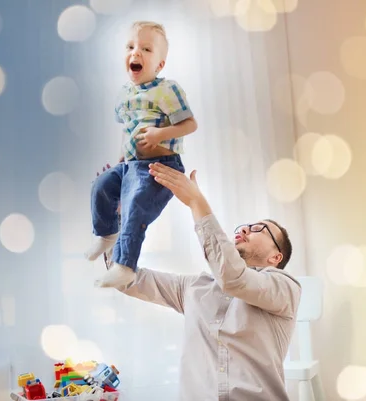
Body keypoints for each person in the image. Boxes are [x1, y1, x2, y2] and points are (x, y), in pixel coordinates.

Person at [101, 162, 302, 401]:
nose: (246, 230)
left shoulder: (285, 288)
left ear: (275, 257)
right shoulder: (195, 288)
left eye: (259, 229)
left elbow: (234, 278)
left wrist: (197, 202)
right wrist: (117, 217)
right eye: (244, 226)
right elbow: (125, 278)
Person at [85, 20, 198, 289]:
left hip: (161, 165)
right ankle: (106, 232)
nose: (136, 53)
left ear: (159, 65)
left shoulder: (168, 89)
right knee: (100, 186)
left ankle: (125, 266)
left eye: (146, 49)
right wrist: (121, 162)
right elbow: (127, 131)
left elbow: (190, 124)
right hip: (131, 164)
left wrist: (159, 135)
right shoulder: (124, 93)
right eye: (131, 47)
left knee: (136, 206)